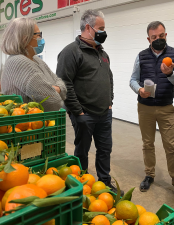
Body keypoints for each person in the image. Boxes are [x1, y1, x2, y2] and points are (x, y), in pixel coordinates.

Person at [56, 10, 122, 195]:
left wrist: (110, 102)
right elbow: (64, 83)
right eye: (101, 28)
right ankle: (82, 183)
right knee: (82, 151)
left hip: (104, 113)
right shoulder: (70, 52)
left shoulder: (102, 53)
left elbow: (109, 78)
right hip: (84, 114)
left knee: (104, 150)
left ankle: (105, 183)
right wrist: (78, 112)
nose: (104, 32)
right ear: (88, 28)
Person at [129, 21, 174, 199]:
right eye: (154, 37)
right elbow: (132, 79)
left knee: (171, 146)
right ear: (148, 39)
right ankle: (149, 175)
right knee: (148, 144)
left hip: (165, 108)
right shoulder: (141, 56)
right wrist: (139, 89)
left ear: (166, 35)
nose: (158, 39)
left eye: (161, 36)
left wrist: (170, 73)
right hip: (145, 108)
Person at [1, 18, 66, 111]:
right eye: (38, 35)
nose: (41, 38)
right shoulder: (19, 62)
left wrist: (55, 89)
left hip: (42, 122)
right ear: (25, 38)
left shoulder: (36, 59)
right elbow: (53, 101)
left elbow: (59, 81)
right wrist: (54, 90)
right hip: (28, 123)